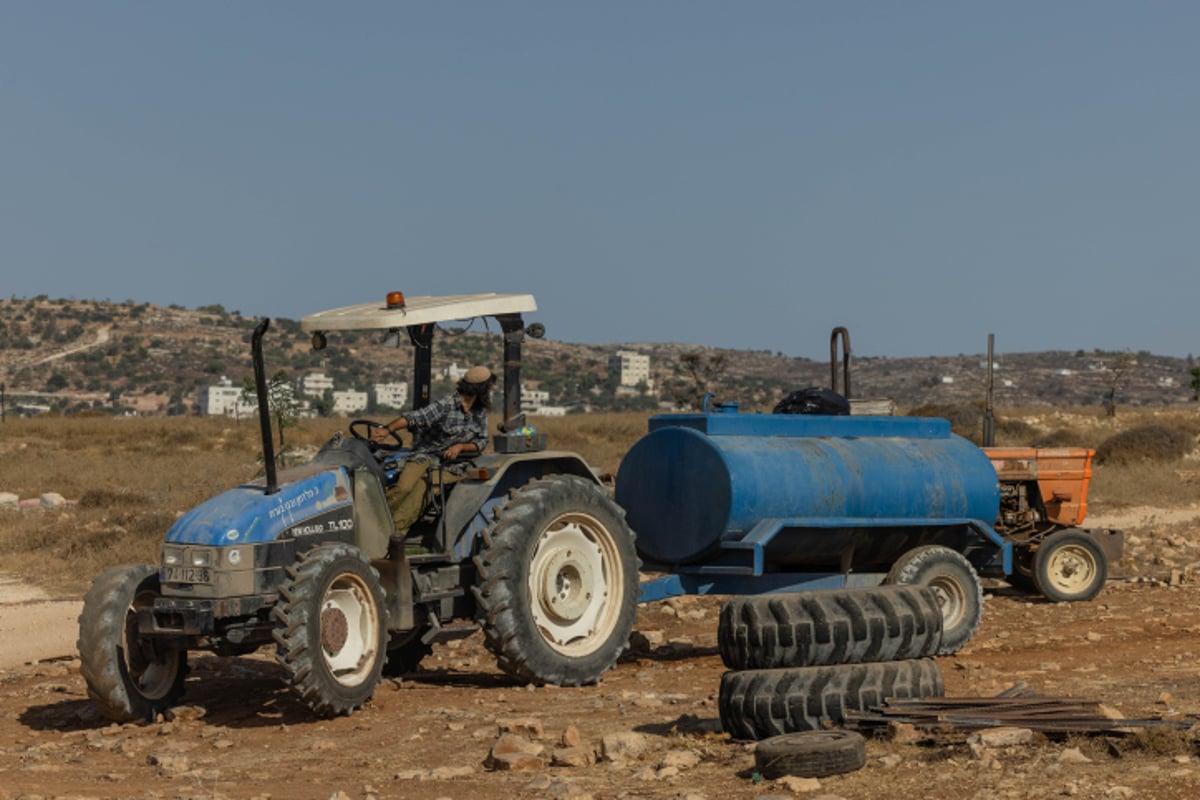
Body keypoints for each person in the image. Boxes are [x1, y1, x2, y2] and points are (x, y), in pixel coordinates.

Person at [372, 365, 497, 535]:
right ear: (481, 389)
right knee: (404, 487)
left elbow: (481, 442)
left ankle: (393, 533)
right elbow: (414, 418)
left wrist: (460, 446)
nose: (490, 390)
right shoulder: (446, 405)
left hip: (452, 465)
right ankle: (373, 518)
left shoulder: (479, 412)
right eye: (489, 387)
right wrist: (387, 430)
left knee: (425, 488)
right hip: (425, 455)